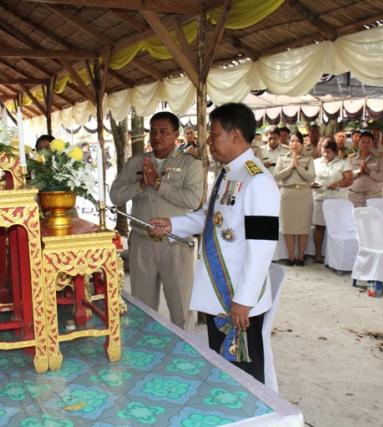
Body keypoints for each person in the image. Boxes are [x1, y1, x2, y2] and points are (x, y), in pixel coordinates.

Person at [149, 103, 279, 383]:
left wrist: (243, 300)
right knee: (222, 369)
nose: (208, 141)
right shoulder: (228, 173)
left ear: (235, 136)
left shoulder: (258, 181)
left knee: (244, 377)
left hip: (237, 296)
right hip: (218, 293)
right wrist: (173, 225)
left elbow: (263, 245)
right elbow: (210, 218)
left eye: (214, 134)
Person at [109, 111, 203, 330]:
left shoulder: (190, 164)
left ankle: (185, 354)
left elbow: (193, 199)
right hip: (142, 241)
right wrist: (141, 185)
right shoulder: (136, 163)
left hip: (175, 243)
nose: (157, 136)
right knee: (143, 307)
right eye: (153, 131)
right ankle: (146, 350)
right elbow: (115, 196)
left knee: (181, 307)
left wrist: (159, 184)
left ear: (176, 135)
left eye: (163, 132)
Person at [274, 131, 315, 266]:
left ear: (302, 143)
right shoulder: (282, 158)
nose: (294, 143)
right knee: (288, 227)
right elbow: (277, 176)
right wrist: (291, 167)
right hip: (287, 193)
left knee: (303, 227)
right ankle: (291, 256)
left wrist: (298, 167)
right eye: (292, 141)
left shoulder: (308, 159)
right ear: (288, 143)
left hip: (303, 193)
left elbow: (311, 177)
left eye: (297, 141)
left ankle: (301, 256)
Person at [312, 138, 353, 263]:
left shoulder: (344, 163)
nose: (325, 155)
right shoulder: (315, 162)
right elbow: (309, 177)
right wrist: (312, 184)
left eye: (328, 152)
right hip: (320, 198)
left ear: (334, 151)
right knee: (319, 227)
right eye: (323, 152)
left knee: (337, 228)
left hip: (337, 200)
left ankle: (336, 256)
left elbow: (349, 180)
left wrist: (338, 184)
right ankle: (318, 254)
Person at [347, 130, 383, 207]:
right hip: (355, 196)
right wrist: (359, 172)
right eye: (363, 142)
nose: (365, 144)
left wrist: (369, 172)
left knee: (373, 218)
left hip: (373, 196)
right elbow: (347, 177)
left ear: (372, 144)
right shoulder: (351, 159)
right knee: (355, 218)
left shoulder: (378, 159)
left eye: (368, 142)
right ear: (358, 143)